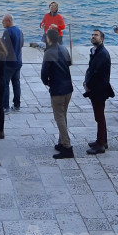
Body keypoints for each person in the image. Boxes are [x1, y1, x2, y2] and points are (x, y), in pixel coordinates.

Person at [41, 28, 75, 159]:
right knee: (63, 115)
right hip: (68, 88)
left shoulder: (49, 53)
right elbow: (69, 63)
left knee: (59, 117)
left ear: (48, 39)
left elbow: (44, 73)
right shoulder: (63, 49)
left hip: (58, 90)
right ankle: (61, 142)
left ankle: (67, 146)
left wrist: (48, 82)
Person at [83, 30, 115, 155]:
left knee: (99, 116)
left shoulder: (102, 53)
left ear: (102, 39)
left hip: (99, 89)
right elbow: (90, 69)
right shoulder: (96, 51)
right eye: (92, 35)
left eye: (96, 35)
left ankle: (100, 144)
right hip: (97, 88)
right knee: (99, 116)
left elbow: (95, 71)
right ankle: (102, 140)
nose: (93, 36)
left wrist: (87, 85)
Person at [1, 15, 25, 112]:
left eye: (3, 21)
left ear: (9, 21)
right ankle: (17, 105)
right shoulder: (19, 31)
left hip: (9, 63)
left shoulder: (7, 32)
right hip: (18, 61)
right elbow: (22, 44)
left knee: (5, 84)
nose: (2, 23)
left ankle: (5, 106)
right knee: (16, 83)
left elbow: (3, 48)